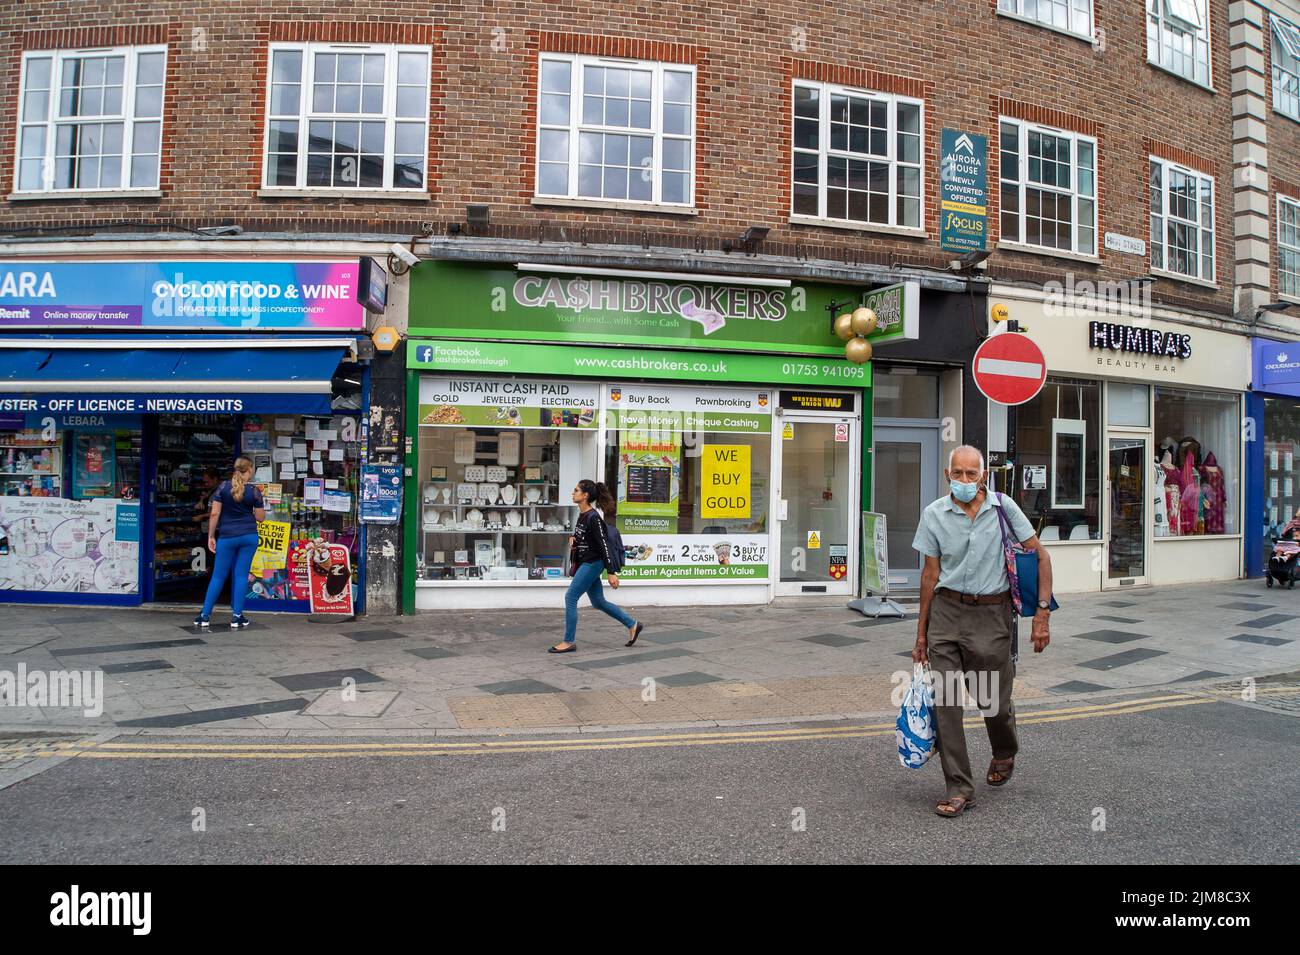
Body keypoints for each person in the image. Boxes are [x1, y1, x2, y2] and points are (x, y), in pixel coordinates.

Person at [911, 445, 1053, 818]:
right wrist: (921, 635)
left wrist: (1041, 616)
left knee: (993, 702)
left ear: (983, 476)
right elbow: (930, 575)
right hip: (946, 613)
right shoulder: (934, 515)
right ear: (947, 476)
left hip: (992, 616)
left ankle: (1004, 750)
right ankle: (960, 787)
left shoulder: (1004, 508)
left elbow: (1040, 556)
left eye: (971, 474)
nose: (963, 481)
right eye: (957, 474)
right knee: (947, 703)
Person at [548, 479, 643, 653]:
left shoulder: (594, 518)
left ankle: (569, 641)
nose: (573, 493)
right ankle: (633, 624)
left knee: (570, 597)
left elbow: (604, 546)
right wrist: (574, 539)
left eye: (576, 490)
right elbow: (584, 538)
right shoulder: (582, 515)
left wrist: (611, 572)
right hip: (586, 562)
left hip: (593, 563)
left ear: (585, 496)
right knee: (598, 602)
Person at [194, 456, 266, 630]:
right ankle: (236, 616)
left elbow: (214, 514)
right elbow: (260, 518)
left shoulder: (223, 488)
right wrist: (261, 500)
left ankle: (204, 615)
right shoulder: (254, 491)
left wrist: (211, 536)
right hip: (249, 536)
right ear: (249, 470)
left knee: (218, 576)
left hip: (227, 537)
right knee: (241, 576)